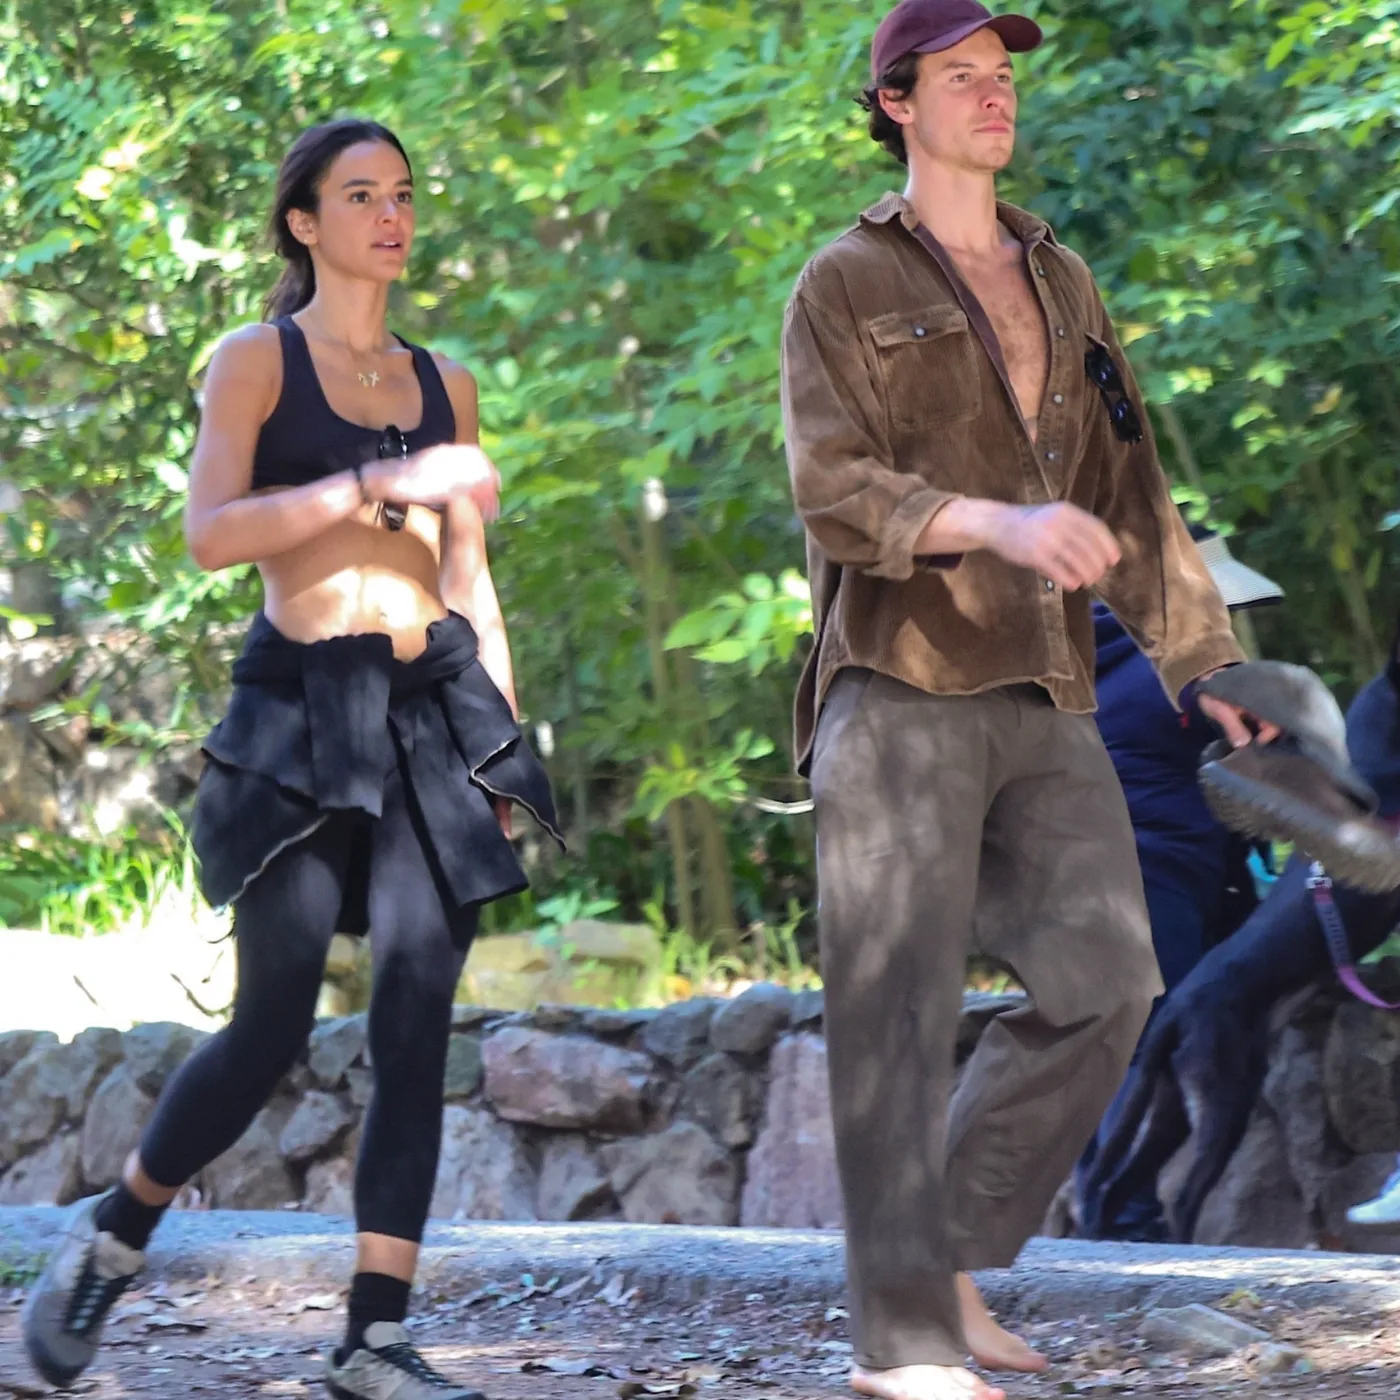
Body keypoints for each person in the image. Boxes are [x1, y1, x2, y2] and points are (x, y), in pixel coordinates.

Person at [23, 118, 561, 1400]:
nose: (391, 214)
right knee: (271, 1018)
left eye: (403, 193)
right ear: (304, 223)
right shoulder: (255, 360)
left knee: (416, 1021)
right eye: (360, 195)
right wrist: (378, 480)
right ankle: (115, 1235)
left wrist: (496, 750)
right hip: (297, 712)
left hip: (430, 712)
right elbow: (212, 533)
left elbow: (470, 579)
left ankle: (373, 1337)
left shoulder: (445, 382)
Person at [779, 3, 1273, 1398]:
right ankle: (901, 1347)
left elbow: (1130, 488)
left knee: (1110, 983)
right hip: (899, 685)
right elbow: (833, 488)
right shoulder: (842, 281)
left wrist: (1202, 662)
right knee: (892, 1010)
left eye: (1003, 76)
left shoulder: (1061, 277)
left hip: (1050, 689)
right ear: (895, 101)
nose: (995, 96)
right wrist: (991, 522)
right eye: (963, 77)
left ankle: (937, 1266)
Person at [1077, 524, 1284, 1240]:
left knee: (1116, 1043)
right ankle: (1122, 1219)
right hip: (1153, 878)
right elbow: (1279, 765)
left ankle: (1108, 1211)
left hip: (1093, 875)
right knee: (1144, 1046)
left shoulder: (1103, 661)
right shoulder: (1187, 676)